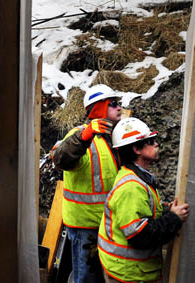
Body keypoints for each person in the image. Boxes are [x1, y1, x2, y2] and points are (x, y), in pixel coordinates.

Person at [98, 117, 190, 283]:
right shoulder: (132, 187)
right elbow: (139, 235)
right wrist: (173, 218)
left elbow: (141, 210)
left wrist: (164, 209)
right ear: (136, 148)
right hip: (130, 273)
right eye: (151, 141)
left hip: (130, 268)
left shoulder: (136, 176)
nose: (156, 144)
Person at [50, 84, 123, 283]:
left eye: (120, 104)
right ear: (98, 108)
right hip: (85, 227)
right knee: (86, 279)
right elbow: (59, 158)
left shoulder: (112, 139)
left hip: (108, 224)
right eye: (113, 104)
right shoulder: (80, 136)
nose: (119, 108)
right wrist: (85, 136)